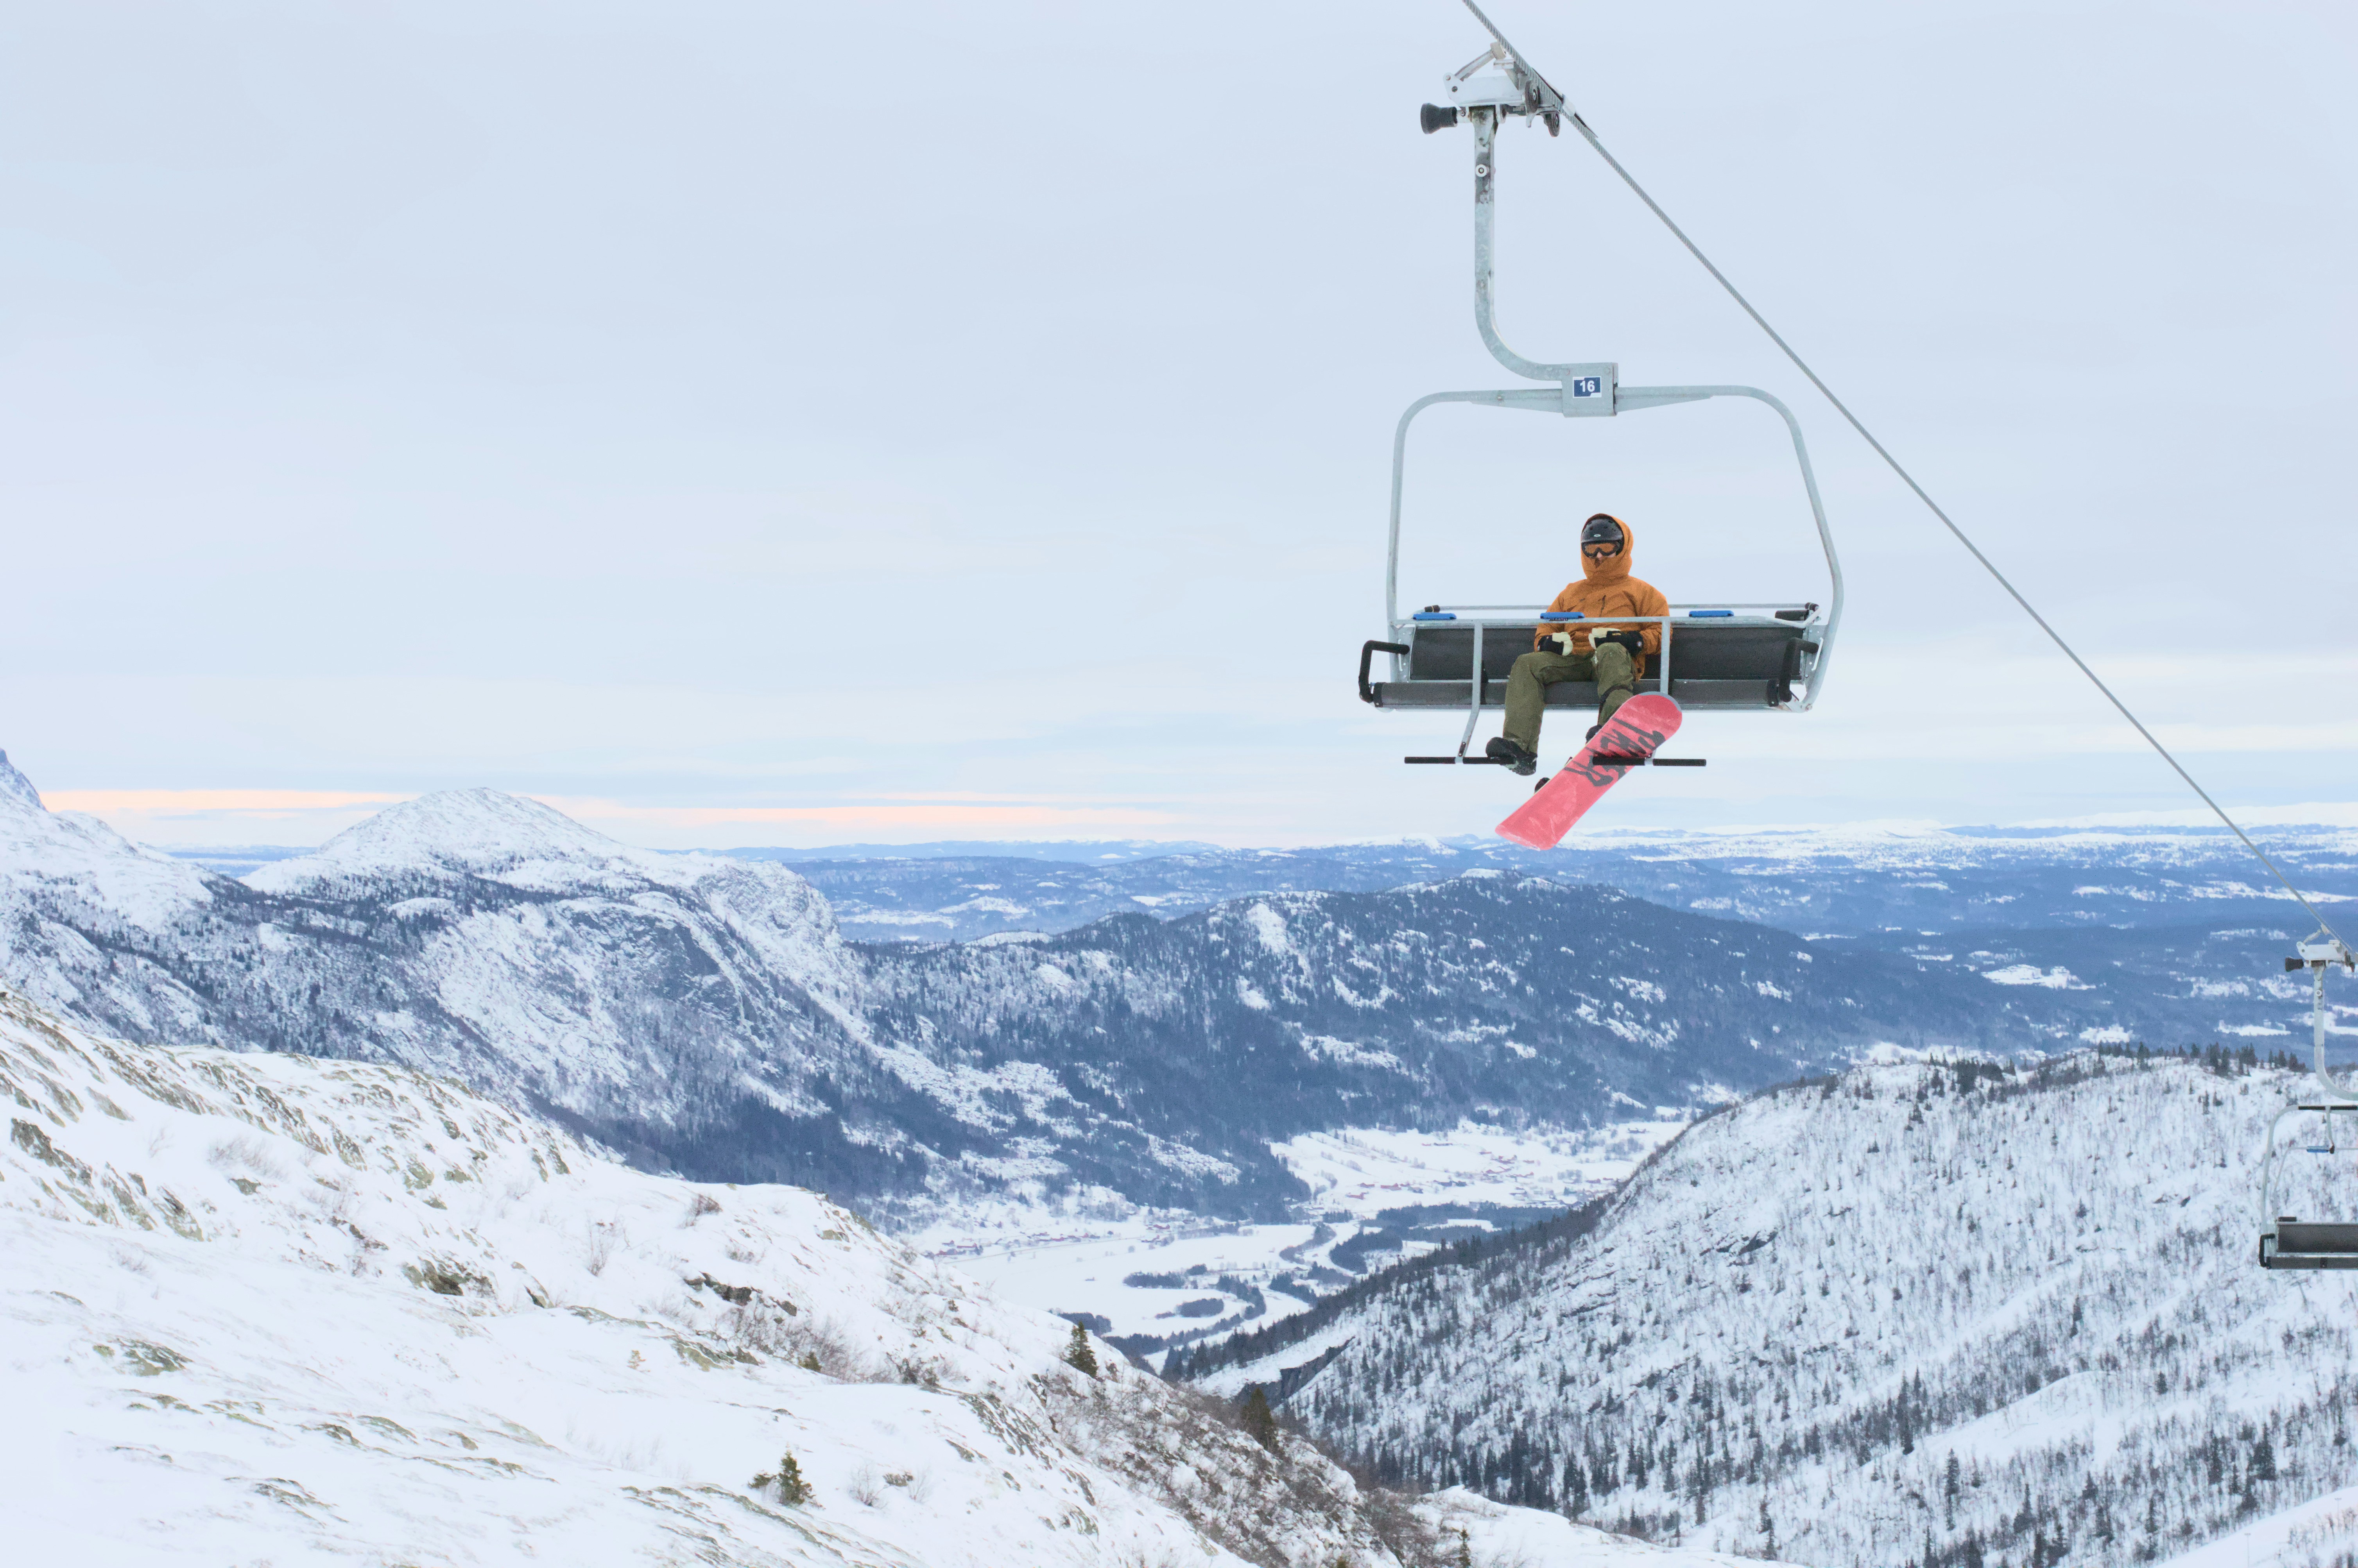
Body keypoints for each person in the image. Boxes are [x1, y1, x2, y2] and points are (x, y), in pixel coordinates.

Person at [1484, 513, 1668, 776]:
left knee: (1610, 650)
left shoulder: (1642, 592)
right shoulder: (1571, 593)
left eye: (1607, 547)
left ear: (1623, 548)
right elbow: (1547, 627)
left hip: (1614, 661)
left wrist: (1632, 640)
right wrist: (1548, 643)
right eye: (1592, 548)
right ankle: (1520, 747)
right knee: (1528, 663)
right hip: (1575, 659)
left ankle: (1613, 732)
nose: (1599, 556)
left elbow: (1661, 633)